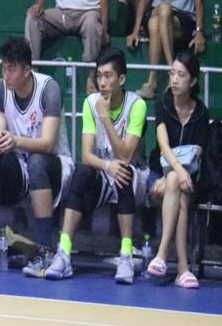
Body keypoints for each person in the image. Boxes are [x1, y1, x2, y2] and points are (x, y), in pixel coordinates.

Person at [44, 47, 147, 284]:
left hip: (134, 177)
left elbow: (126, 154)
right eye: (99, 76)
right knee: (81, 171)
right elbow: (87, 155)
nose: (102, 82)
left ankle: (126, 255)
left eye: (108, 76)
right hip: (104, 173)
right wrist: (107, 167)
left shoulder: (137, 105)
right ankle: (64, 252)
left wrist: (105, 119)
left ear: (121, 79)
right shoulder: (91, 103)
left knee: (124, 171)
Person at [0, 37, 71, 275]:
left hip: (55, 166)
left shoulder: (49, 88)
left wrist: (15, 141)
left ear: (27, 70)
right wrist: (0, 141)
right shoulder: (0, 88)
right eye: (3, 67)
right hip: (19, 167)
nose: (6, 74)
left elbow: (48, 144)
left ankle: (45, 250)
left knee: (38, 161)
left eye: (12, 68)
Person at [145, 52, 210, 288]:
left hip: (189, 178)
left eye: (181, 75)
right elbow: (163, 144)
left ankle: (162, 256)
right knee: (174, 182)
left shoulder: (202, 114)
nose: (174, 80)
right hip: (159, 173)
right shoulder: (162, 104)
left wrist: (180, 175)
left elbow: (198, 155)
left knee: (177, 185)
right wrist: (175, 173)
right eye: (172, 73)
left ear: (192, 81)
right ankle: (182, 267)